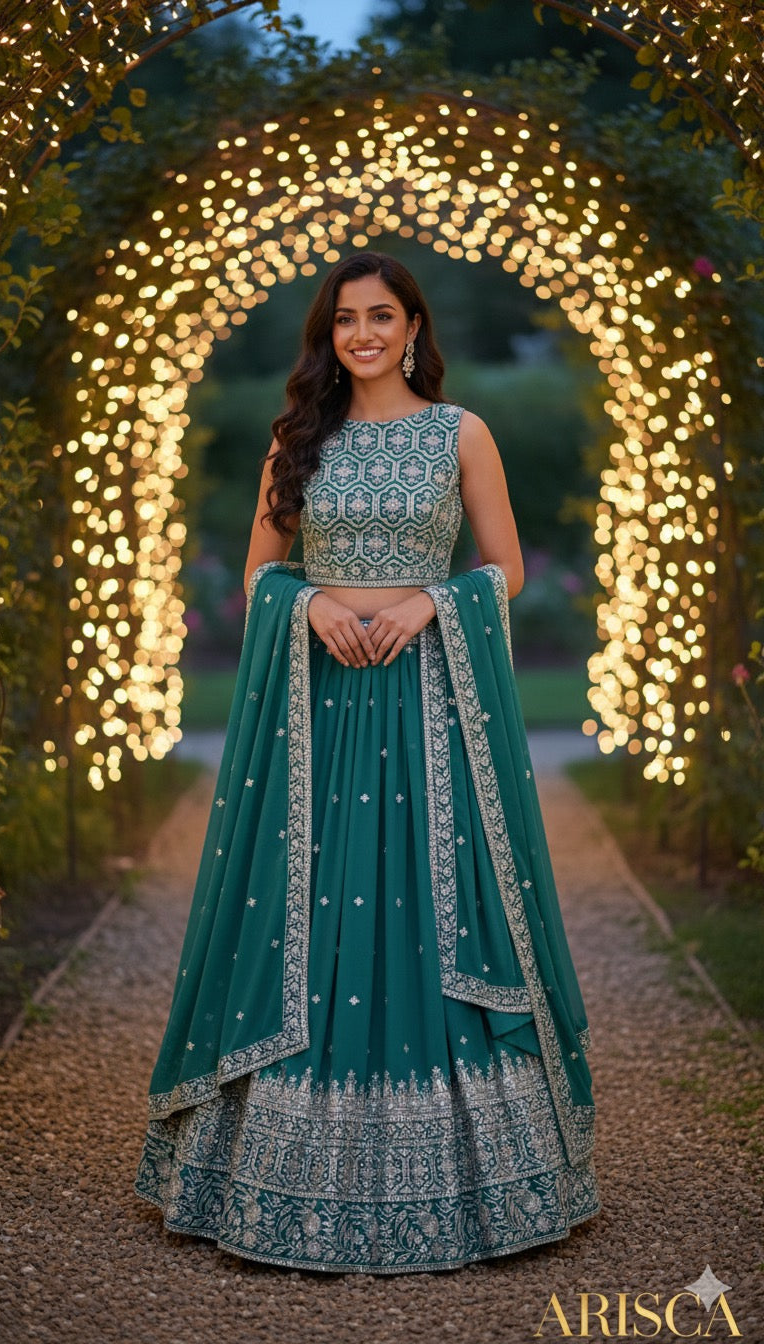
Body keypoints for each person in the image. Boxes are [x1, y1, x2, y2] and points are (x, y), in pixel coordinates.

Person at [133, 250, 600, 1275]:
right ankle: (273, 1166)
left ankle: (475, 1173)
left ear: (416, 328)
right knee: (320, 898)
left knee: (434, 899)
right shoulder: (297, 437)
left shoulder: (460, 432)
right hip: (323, 706)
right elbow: (263, 570)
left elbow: (506, 568)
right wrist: (317, 605)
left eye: (382, 316)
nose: (364, 335)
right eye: (345, 320)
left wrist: (435, 600)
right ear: (327, 335)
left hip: (433, 704)